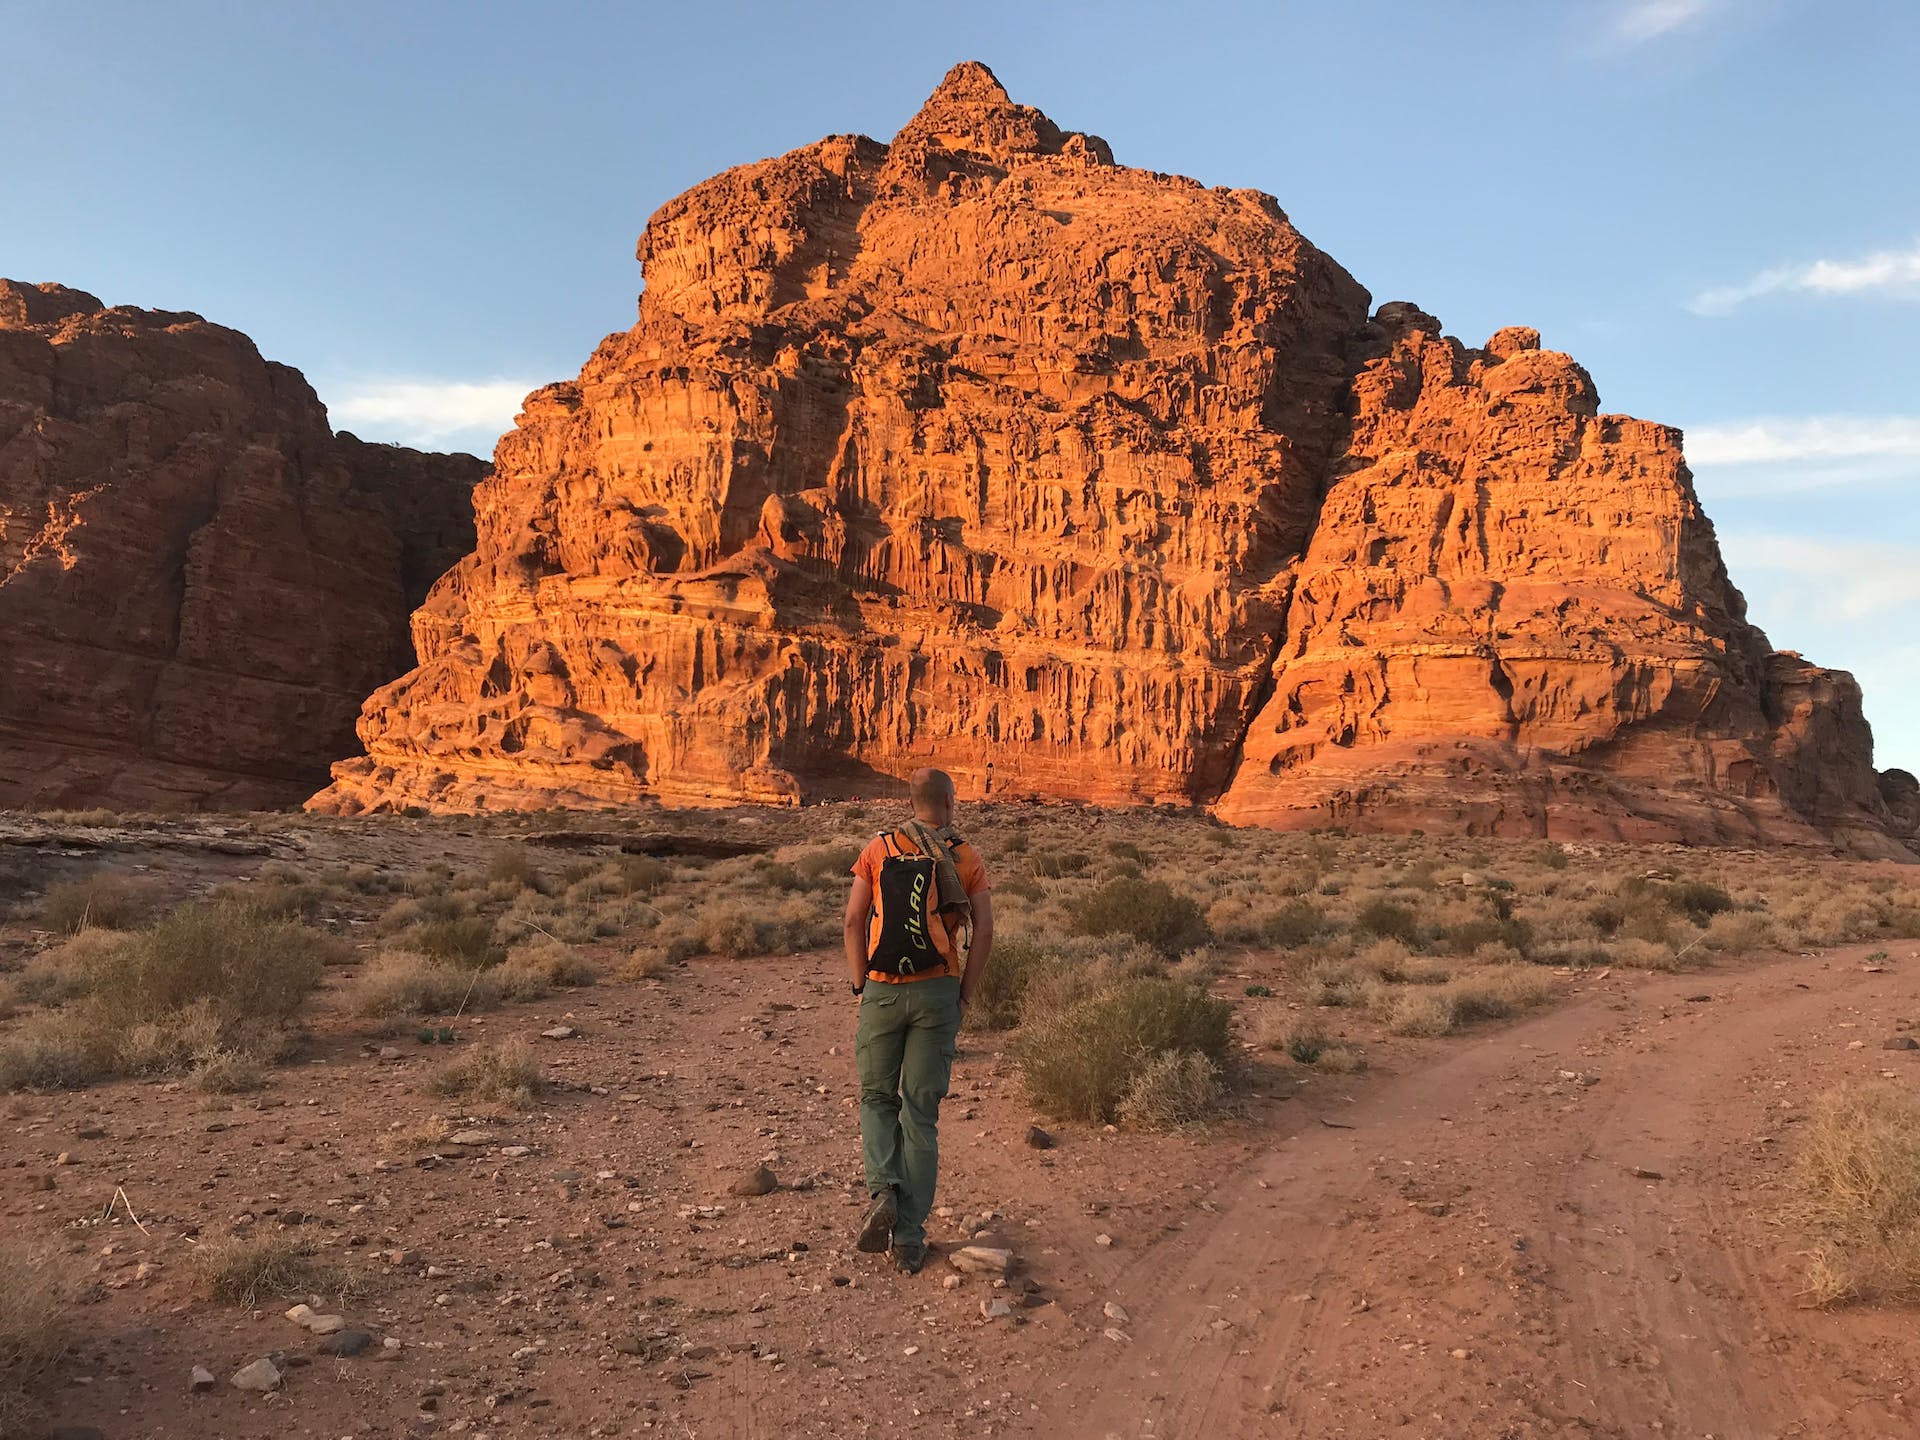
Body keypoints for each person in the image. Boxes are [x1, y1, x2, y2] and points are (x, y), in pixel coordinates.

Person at [842, 766, 994, 1273]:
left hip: (883, 989)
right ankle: (909, 1238)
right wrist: (963, 996)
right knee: (921, 1114)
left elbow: (852, 922)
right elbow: (986, 932)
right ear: (950, 801)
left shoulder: (878, 849)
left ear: (912, 801)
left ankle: (883, 1190)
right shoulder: (964, 855)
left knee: (876, 1098)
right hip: (938, 991)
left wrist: (863, 984)